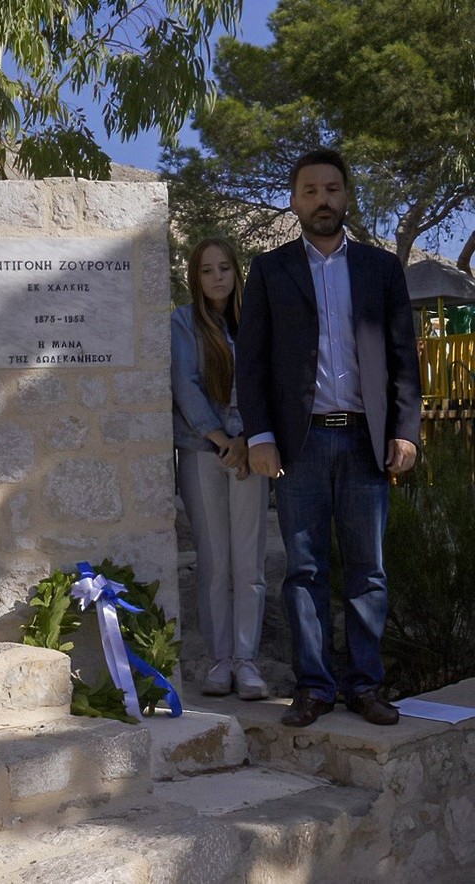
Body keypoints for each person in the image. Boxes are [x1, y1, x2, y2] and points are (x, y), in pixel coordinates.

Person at [236, 148, 421, 728]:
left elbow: (404, 358)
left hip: (367, 443)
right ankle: (314, 687)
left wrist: (406, 431)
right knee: (305, 571)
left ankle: (365, 686)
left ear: (346, 196)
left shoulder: (379, 268)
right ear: (294, 201)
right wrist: (259, 435)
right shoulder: (270, 269)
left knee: (369, 571)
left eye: (332, 189)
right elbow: (252, 362)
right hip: (301, 446)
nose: (322, 200)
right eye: (311, 191)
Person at [171, 238, 270, 700]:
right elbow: (185, 385)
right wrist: (222, 439)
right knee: (214, 562)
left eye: (224, 268)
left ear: (236, 273)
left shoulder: (254, 320)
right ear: (195, 276)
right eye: (207, 270)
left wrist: (248, 439)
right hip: (202, 451)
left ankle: (247, 660)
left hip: (252, 452)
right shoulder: (182, 322)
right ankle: (220, 660)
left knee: (249, 562)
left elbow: (266, 381)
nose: (217, 277)